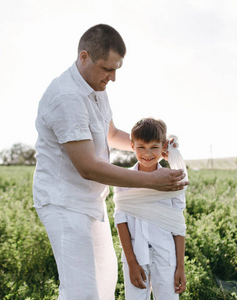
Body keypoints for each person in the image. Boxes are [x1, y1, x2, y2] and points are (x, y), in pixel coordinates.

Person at [33, 24, 188, 299]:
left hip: (91, 202)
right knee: (81, 292)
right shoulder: (67, 98)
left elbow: (112, 134)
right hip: (64, 203)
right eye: (107, 69)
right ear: (84, 57)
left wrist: (150, 149)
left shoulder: (97, 88)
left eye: (117, 69)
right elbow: (88, 167)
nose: (113, 78)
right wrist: (152, 180)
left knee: (105, 281)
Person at [113, 118, 187, 299]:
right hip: (135, 255)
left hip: (165, 256)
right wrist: (131, 262)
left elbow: (178, 225)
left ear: (163, 147)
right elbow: (120, 222)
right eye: (141, 147)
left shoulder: (173, 179)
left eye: (154, 147)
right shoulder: (123, 180)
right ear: (132, 145)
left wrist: (180, 267)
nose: (147, 153)